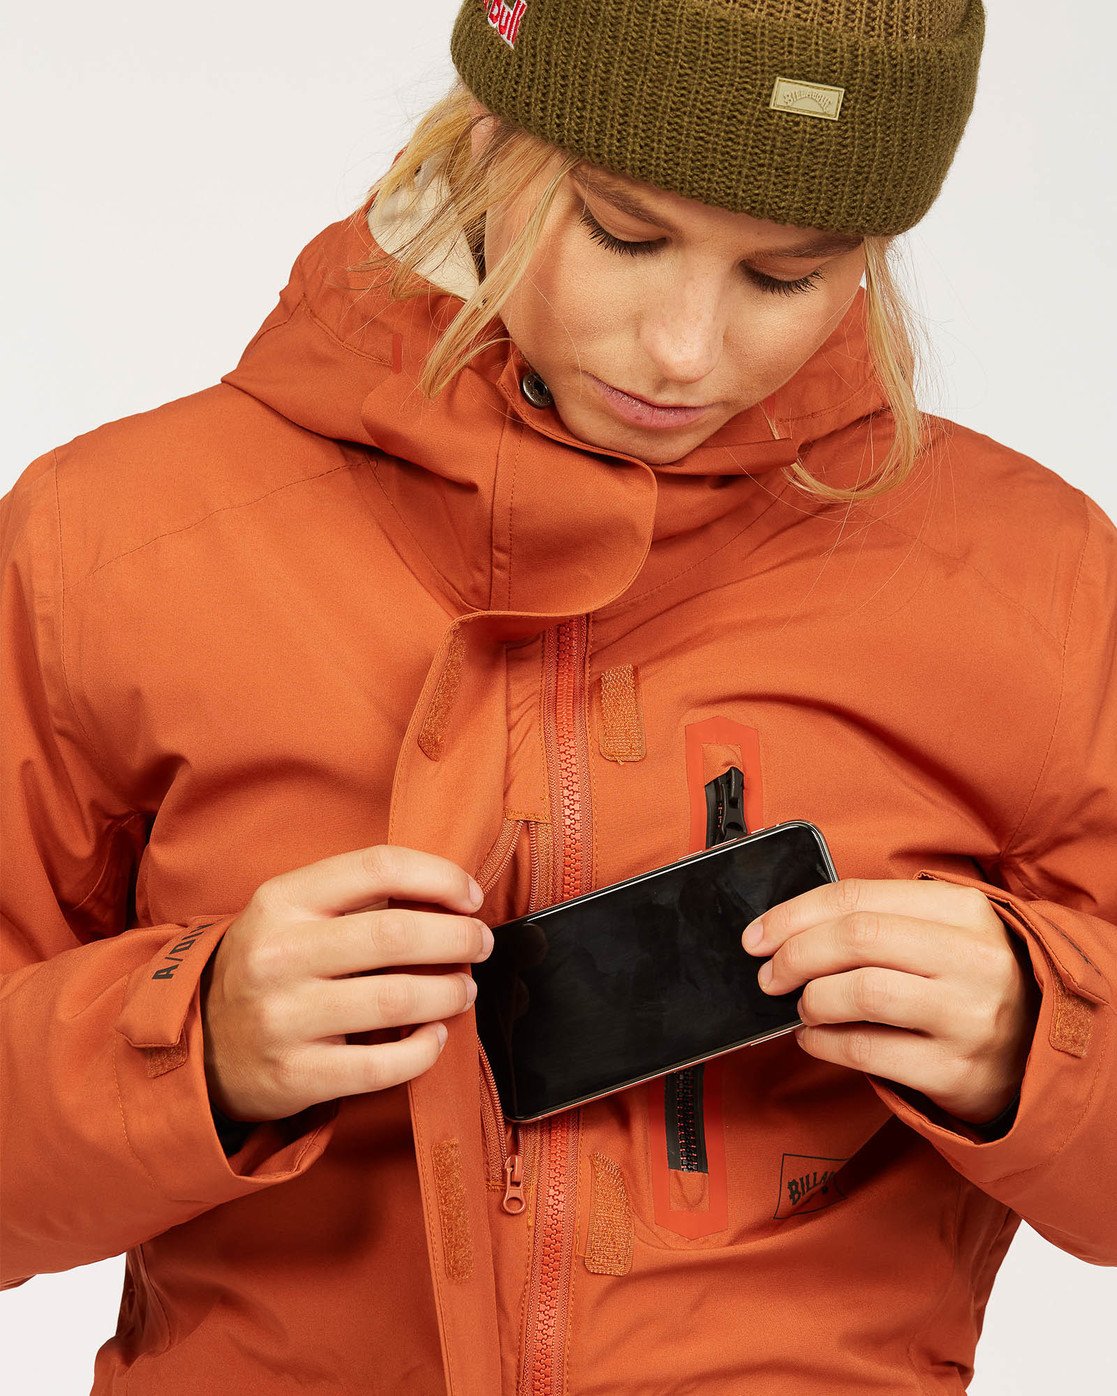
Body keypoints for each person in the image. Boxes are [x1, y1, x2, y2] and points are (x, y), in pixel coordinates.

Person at [2, 0, 1114, 1392]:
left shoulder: (1034, 579)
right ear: (487, 138)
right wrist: (192, 1043)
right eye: (623, 233)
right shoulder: (109, 541)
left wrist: (1042, 1042)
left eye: (789, 273)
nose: (685, 351)